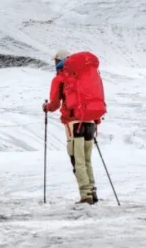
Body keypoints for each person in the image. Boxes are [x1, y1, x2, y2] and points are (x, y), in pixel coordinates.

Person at [44, 51, 106, 205]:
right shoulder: (85, 75)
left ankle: (85, 195)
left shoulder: (60, 78)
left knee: (77, 160)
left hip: (74, 123)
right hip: (90, 122)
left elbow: (54, 104)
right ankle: (92, 191)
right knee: (86, 159)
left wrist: (46, 107)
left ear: (58, 61)